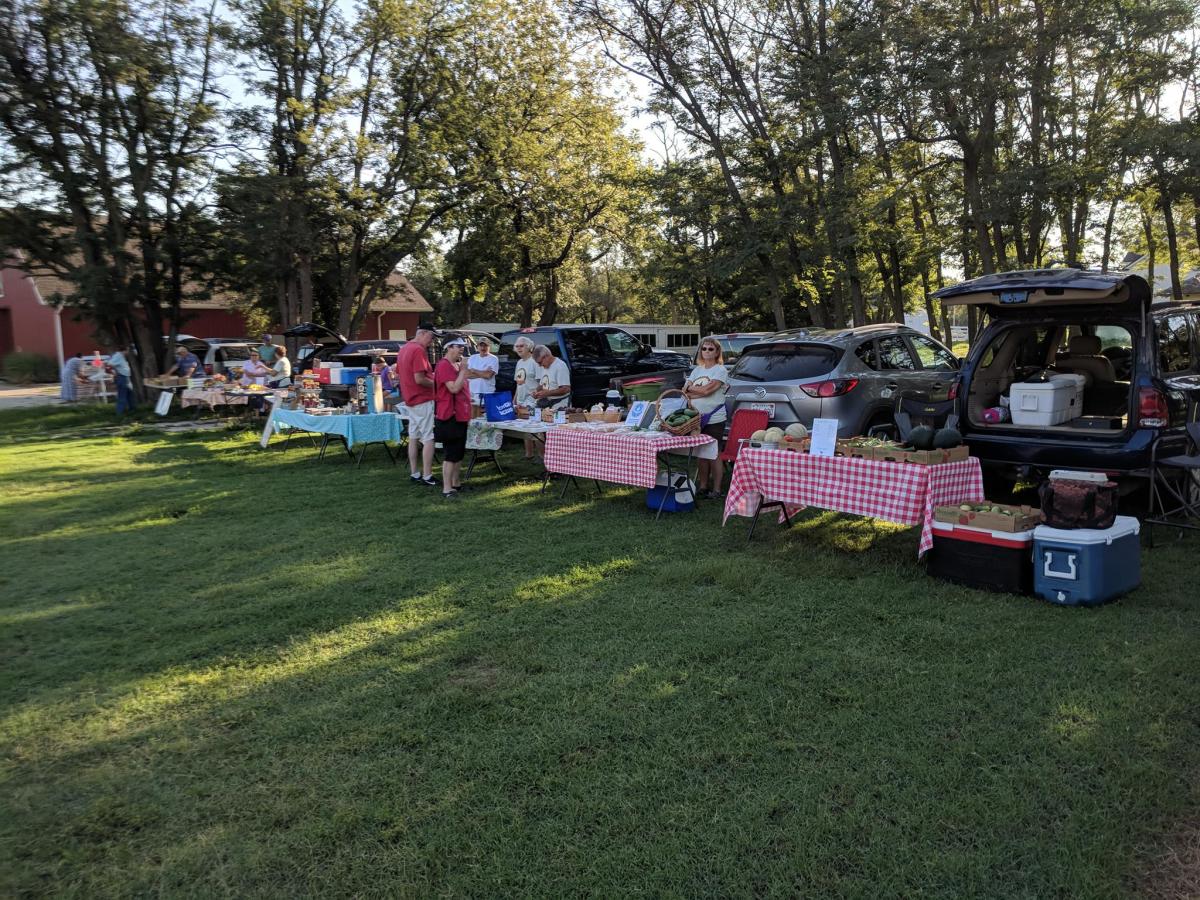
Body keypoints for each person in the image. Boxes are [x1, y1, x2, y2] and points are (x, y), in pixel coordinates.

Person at [683, 337, 730, 498]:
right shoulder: (697, 370)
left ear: (717, 352)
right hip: (696, 418)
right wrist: (694, 390)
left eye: (711, 349)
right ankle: (703, 486)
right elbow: (684, 392)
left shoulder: (720, 370)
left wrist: (692, 389)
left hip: (714, 418)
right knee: (701, 452)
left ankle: (716, 489)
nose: (707, 351)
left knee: (714, 453)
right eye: (704, 349)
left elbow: (707, 391)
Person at [397, 323, 437, 485]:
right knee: (428, 437)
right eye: (431, 337)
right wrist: (439, 383)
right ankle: (428, 476)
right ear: (423, 333)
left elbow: (401, 374)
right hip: (422, 399)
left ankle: (415, 473)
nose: (431, 341)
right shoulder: (418, 350)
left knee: (413, 436)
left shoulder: (404, 349)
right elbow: (419, 379)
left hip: (410, 400)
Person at [433, 338, 471, 499]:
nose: (462, 349)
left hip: (460, 414)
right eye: (459, 346)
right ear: (449, 347)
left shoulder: (455, 365)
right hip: (449, 415)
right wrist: (463, 370)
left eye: (463, 346)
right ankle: (447, 489)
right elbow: (454, 388)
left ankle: (456, 483)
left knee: (459, 452)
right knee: (450, 454)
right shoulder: (444, 365)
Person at [512, 335, 539, 459]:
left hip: (533, 400)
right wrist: (515, 399)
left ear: (529, 347)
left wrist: (538, 396)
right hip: (521, 400)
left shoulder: (534, 361)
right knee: (525, 428)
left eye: (521, 346)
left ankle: (542, 456)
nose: (518, 348)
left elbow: (542, 382)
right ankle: (529, 454)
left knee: (537, 429)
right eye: (517, 346)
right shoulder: (519, 362)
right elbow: (518, 382)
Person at [531, 343, 571, 410]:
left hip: (560, 402)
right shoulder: (545, 366)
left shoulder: (560, 366)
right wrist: (536, 391)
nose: (539, 365)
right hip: (547, 401)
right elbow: (543, 384)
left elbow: (566, 389)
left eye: (540, 362)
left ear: (546, 356)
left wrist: (547, 393)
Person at [465, 336, 499, 408]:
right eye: (481, 345)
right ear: (477, 346)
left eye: (485, 345)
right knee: (473, 417)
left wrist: (473, 370)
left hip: (487, 393)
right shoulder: (472, 358)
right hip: (472, 393)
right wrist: (483, 373)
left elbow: (488, 375)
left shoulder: (493, 359)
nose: (483, 348)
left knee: (486, 416)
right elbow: (466, 375)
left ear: (489, 347)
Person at [108, 343, 135, 416]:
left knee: (130, 394)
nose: (128, 352)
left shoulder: (121, 356)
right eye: (128, 350)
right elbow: (110, 364)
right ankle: (119, 413)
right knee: (122, 396)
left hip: (125, 377)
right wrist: (115, 372)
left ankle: (132, 410)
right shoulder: (118, 356)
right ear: (124, 350)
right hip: (121, 377)